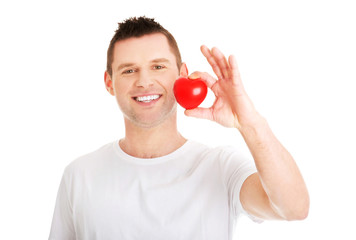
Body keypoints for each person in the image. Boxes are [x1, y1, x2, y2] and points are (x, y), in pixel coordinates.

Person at [49, 16, 309, 240]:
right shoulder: (79, 175)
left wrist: (248, 121)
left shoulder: (221, 167)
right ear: (109, 82)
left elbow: (294, 208)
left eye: (158, 66)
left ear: (182, 73)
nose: (144, 81)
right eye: (129, 70)